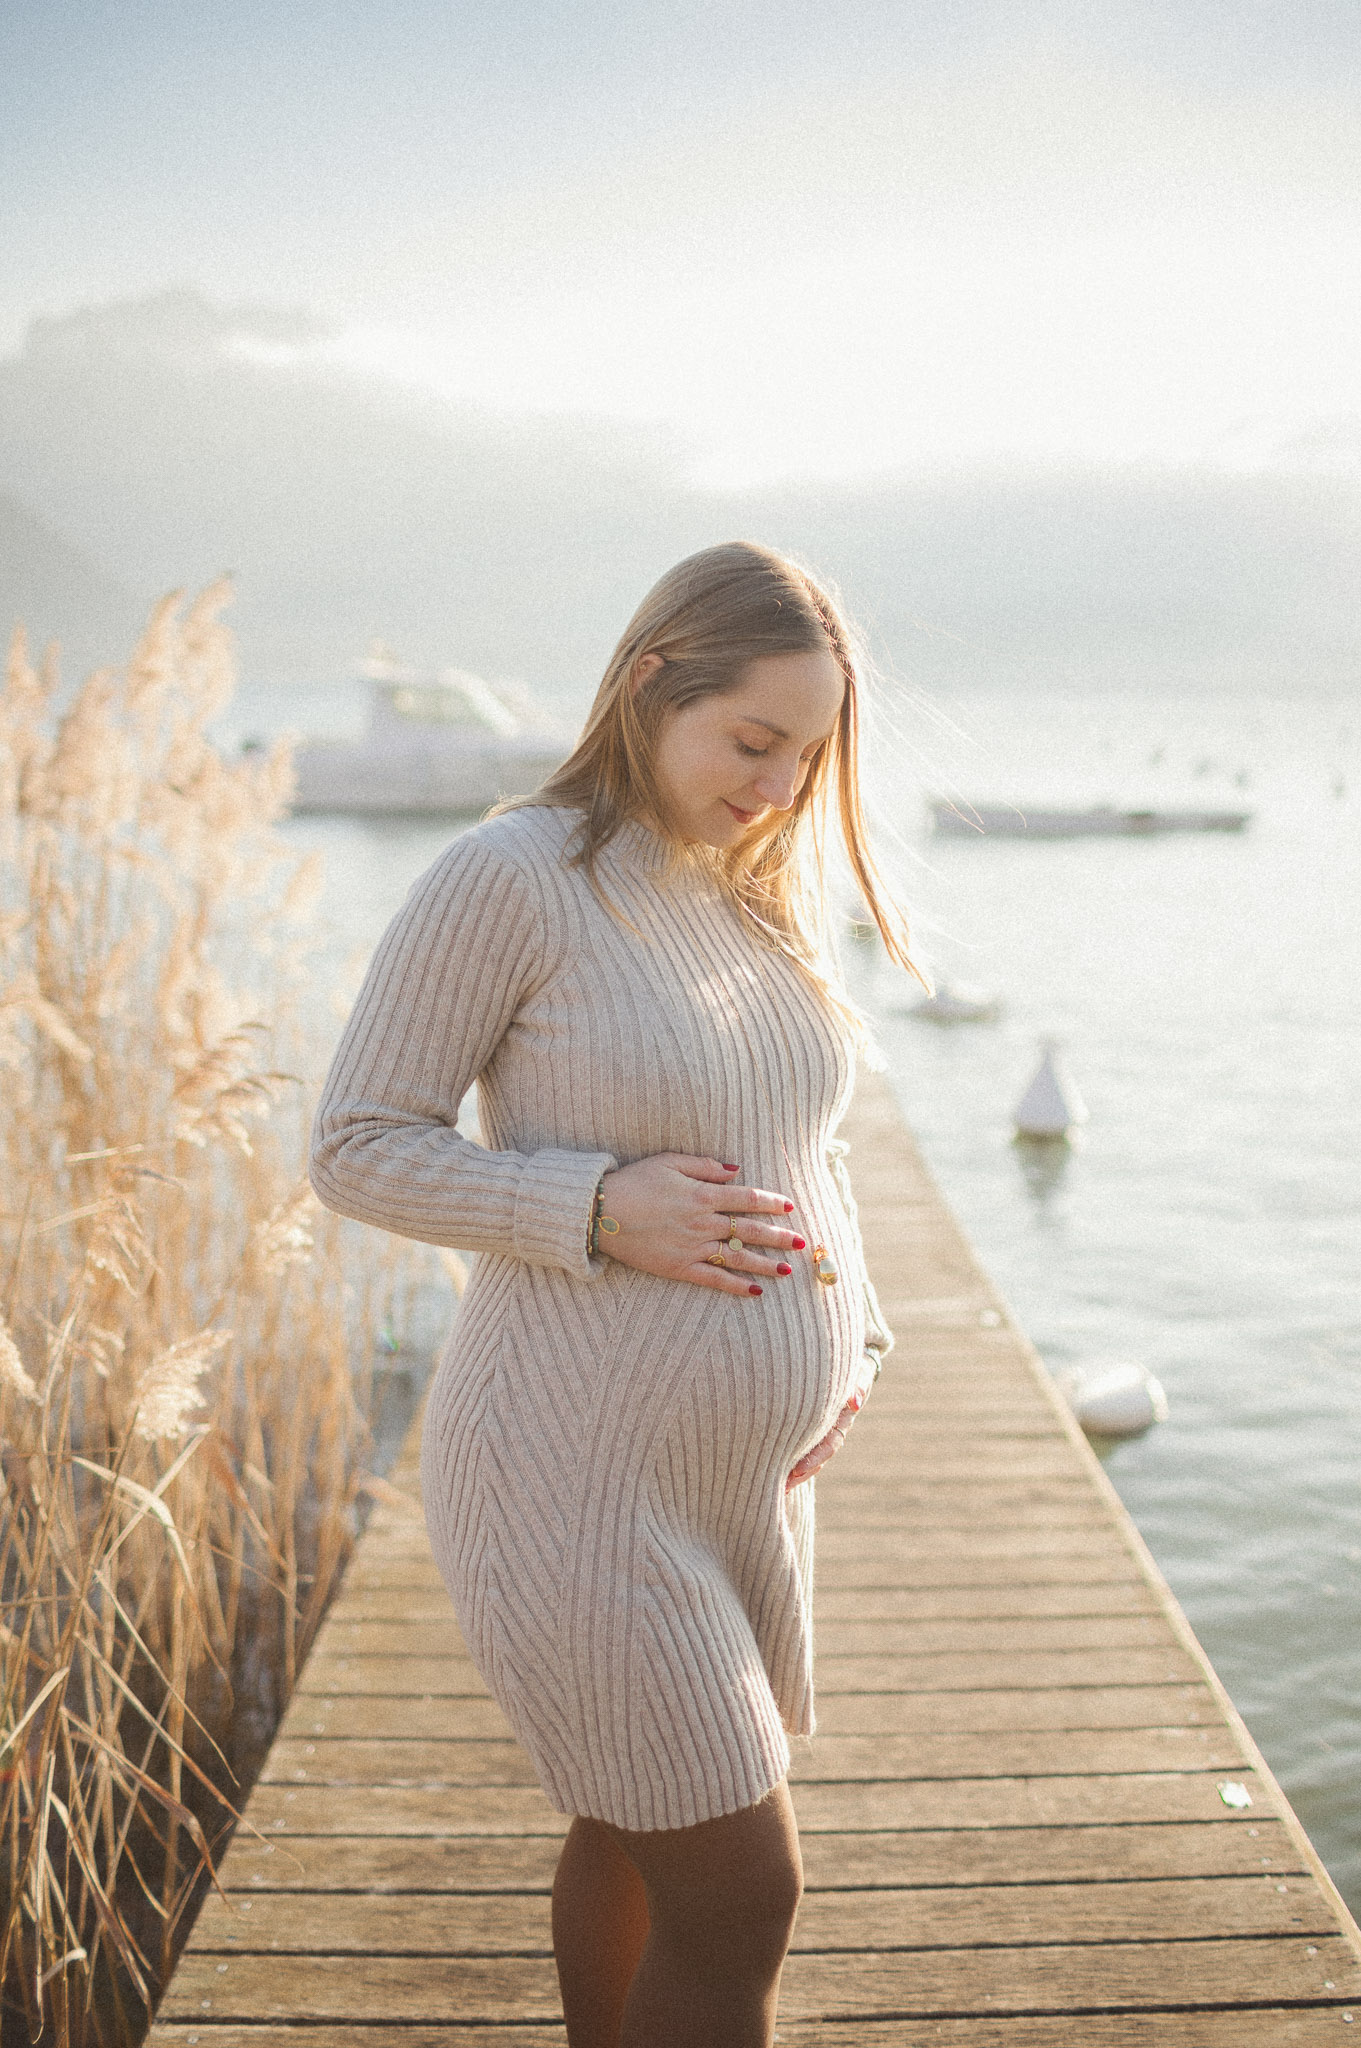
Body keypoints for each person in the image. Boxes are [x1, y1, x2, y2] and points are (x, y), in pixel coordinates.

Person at [309, 540, 919, 2048]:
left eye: (809, 755)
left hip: (736, 1494)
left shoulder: (746, 895)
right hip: (572, 1481)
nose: (780, 787)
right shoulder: (509, 876)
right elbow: (356, 1146)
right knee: (741, 1892)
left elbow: (805, 1145)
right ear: (652, 684)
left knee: (634, 1824)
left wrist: (857, 1339)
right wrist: (589, 1202)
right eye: (753, 742)